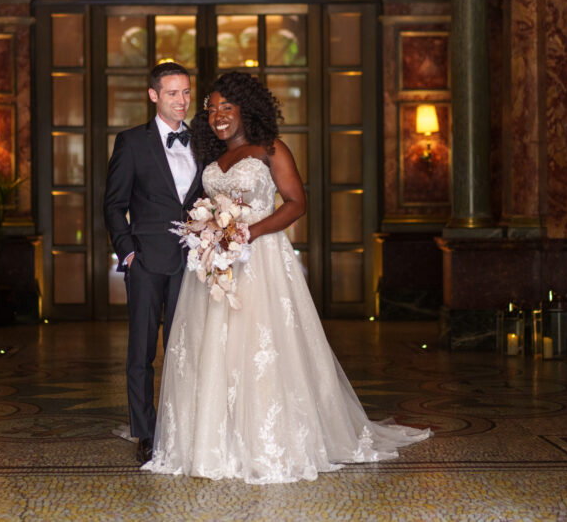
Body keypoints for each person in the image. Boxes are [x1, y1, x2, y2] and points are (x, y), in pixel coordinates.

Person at [142, 72, 431, 484]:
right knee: (213, 352)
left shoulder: (271, 150)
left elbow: (297, 204)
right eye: (210, 110)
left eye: (226, 107)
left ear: (247, 108)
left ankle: (266, 441)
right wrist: (208, 233)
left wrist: (248, 232)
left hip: (261, 263)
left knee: (260, 348)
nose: (217, 116)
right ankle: (213, 441)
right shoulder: (211, 158)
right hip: (217, 267)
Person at [103, 62, 204, 464]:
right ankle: (145, 432)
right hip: (146, 262)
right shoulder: (131, 142)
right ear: (153, 95)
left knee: (186, 349)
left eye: (186, 93)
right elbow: (113, 205)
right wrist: (129, 255)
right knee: (141, 353)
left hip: (193, 263)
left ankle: (183, 426)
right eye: (172, 93)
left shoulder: (202, 141)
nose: (182, 101)